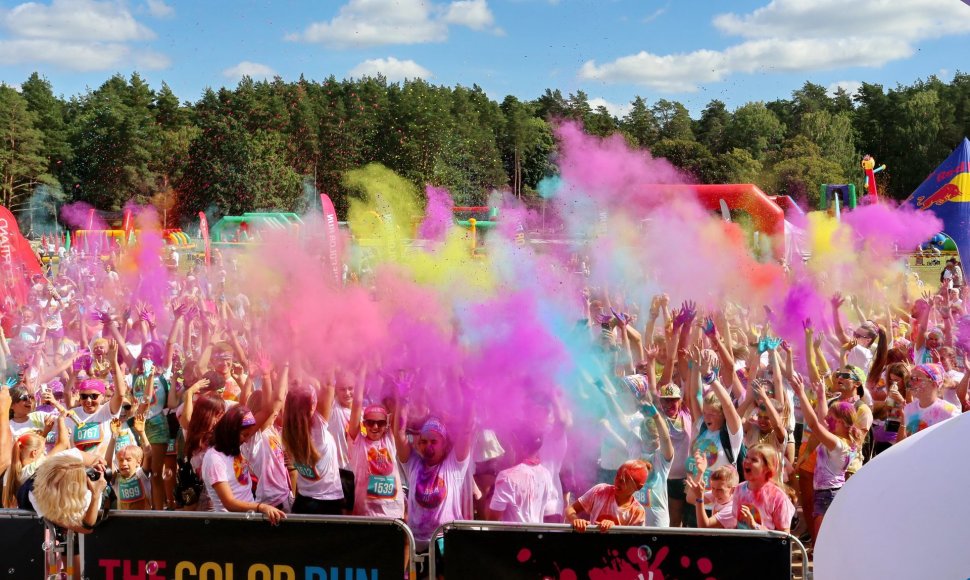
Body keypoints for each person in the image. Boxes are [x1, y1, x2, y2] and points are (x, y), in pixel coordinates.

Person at [791, 373, 863, 538]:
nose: (827, 420)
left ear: (841, 422)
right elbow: (822, 422)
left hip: (829, 495)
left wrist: (801, 394)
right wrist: (821, 395)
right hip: (826, 493)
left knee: (822, 540)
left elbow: (815, 424)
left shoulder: (839, 444)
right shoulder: (838, 439)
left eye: (831, 418)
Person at [201, 405, 285, 524]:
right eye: (244, 435)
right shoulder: (214, 459)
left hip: (246, 518)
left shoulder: (232, 449)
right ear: (231, 431)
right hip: (231, 524)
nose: (246, 440)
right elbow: (229, 502)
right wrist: (261, 507)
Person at [281, 379, 344, 515]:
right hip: (327, 504)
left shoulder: (286, 432)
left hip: (302, 502)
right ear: (312, 407)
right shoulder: (318, 431)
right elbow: (328, 384)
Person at [347, 371, 404, 518]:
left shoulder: (389, 440)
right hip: (365, 514)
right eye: (371, 422)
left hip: (392, 514)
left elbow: (399, 413)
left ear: (386, 425)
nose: (375, 427)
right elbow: (357, 403)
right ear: (364, 423)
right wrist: (362, 372)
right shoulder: (357, 442)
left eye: (380, 423)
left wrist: (400, 393)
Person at [488, 428, 558, 524]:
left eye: (510, 443)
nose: (506, 448)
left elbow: (493, 519)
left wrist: (489, 497)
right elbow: (548, 512)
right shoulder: (546, 474)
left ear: (519, 446)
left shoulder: (506, 477)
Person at [565, 460, 649, 532]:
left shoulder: (637, 511)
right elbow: (570, 508)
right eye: (617, 475)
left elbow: (634, 541)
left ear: (638, 487)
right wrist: (575, 520)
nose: (617, 481)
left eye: (624, 480)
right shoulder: (600, 491)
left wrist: (614, 529)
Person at [729, 444, 795, 532]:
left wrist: (754, 526)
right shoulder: (739, 489)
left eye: (754, 460)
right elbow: (735, 523)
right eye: (746, 457)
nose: (747, 461)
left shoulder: (777, 496)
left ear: (767, 468)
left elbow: (784, 535)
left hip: (765, 544)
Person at [897, 363, 961, 441]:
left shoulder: (950, 412)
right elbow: (901, 444)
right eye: (910, 379)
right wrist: (902, 422)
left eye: (915, 379)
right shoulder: (908, 409)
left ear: (933, 384)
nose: (910, 383)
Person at [685, 462, 739, 529]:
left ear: (733, 490)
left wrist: (699, 498)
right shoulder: (720, 495)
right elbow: (690, 499)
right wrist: (700, 473)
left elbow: (703, 526)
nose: (715, 493)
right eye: (713, 488)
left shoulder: (732, 509)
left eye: (720, 490)